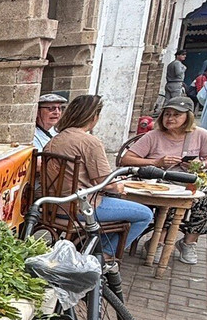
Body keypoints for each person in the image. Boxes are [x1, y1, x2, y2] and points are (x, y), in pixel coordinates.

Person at [43, 95, 154, 257]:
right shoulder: (89, 142)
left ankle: (92, 247)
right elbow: (106, 183)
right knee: (145, 214)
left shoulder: (55, 140)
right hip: (81, 207)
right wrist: (119, 186)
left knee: (122, 209)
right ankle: (105, 255)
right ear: (93, 117)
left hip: (53, 206)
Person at [120, 96, 207, 265]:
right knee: (175, 199)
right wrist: (156, 162)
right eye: (167, 114)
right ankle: (158, 241)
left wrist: (200, 164)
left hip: (187, 179)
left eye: (176, 115)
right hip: (159, 180)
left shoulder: (200, 134)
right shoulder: (153, 136)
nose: (170, 119)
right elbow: (126, 159)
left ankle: (189, 242)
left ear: (187, 117)